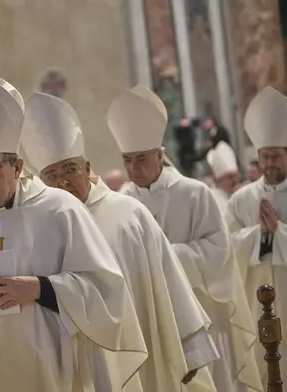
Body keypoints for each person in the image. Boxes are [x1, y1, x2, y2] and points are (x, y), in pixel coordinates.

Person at [0, 68, 148, 392]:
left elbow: (107, 292)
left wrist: (39, 288)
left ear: (17, 167)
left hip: (57, 373)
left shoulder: (60, 209)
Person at [21, 92, 214, 391]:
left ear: (87, 168)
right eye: (51, 175)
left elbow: (170, 281)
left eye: (70, 170)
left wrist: (190, 351)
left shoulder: (128, 214)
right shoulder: (39, 228)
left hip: (143, 357)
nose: (63, 182)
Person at [109, 85, 261, 391]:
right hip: (150, 315)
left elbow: (220, 251)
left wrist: (166, 258)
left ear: (159, 155)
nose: (133, 168)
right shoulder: (121, 202)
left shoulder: (194, 193)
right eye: (127, 160)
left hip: (200, 313)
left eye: (140, 159)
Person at [226, 86, 287, 383]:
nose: (270, 163)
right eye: (265, 156)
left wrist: (280, 233)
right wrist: (258, 235)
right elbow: (225, 247)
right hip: (253, 295)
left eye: (276, 156)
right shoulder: (241, 199)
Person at [206, 142, 241, 213]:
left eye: (236, 176)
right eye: (230, 177)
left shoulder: (242, 194)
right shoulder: (212, 201)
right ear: (219, 180)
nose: (235, 180)